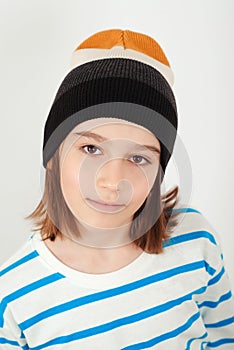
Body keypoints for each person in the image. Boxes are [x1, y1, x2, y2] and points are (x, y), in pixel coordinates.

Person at [0, 28, 233, 349]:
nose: (112, 182)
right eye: (91, 149)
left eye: (138, 158)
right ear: (52, 156)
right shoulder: (14, 293)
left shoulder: (196, 241)